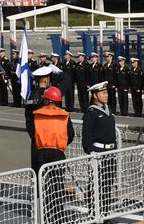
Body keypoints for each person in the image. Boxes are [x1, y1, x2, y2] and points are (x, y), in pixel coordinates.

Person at [28, 86, 74, 223]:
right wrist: (60, 143)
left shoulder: (36, 114)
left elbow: (32, 132)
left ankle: (46, 216)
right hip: (58, 153)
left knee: (45, 186)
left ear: (47, 100)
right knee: (57, 185)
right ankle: (58, 216)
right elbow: (70, 135)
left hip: (41, 154)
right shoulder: (65, 115)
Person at [82, 81, 117, 214]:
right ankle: (94, 213)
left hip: (110, 152)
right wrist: (91, 153)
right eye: (103, 93)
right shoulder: (91, 112)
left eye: (106, 92)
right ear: (95, 95)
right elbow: (87, 135)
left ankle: (105, 213)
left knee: (108, 185)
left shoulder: (107, 109)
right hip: (98, 153)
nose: (106, 95)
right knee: (96, 184)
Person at [25, 66, 51, 174]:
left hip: (35, 137)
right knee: (50, 171)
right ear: (46, 80)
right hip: (48, 138)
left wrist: (33, 134)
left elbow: (28, 117)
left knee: (36, 169)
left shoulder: (31, 95)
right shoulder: (49, 95)